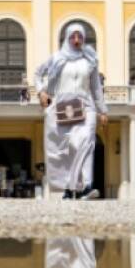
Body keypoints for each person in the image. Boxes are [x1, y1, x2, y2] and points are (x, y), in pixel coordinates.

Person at [35, 22, 108, 200]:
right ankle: (71, 187)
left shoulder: (90, 60)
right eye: (73, 36)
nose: (77, 40)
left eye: (80, 36)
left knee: (87, 142)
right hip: (64, 106)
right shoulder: (57, 58)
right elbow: (38, 73)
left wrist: (102, 110)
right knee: (70, 148)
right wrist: (41, 91)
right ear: (67, 38)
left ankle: (87, 186)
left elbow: (96, 87)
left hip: (86, 106)